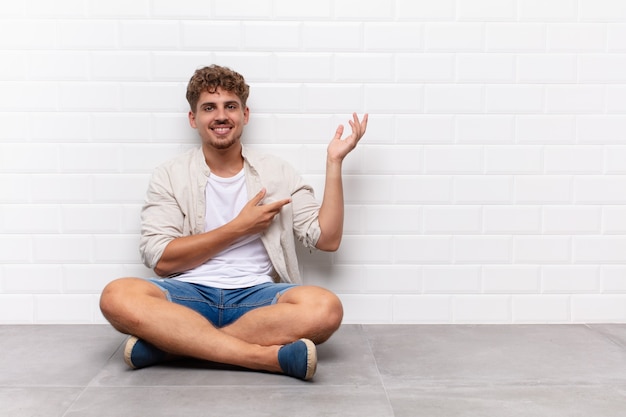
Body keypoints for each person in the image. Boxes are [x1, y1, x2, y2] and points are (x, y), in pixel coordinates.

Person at [99, 64, 368, 381]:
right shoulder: (169, 175)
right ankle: (262, 358)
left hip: (257, 299)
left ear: (245, 114)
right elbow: (160, 259)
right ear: (193, 119)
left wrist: (334, 162)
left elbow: (327, 239)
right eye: (209, 108)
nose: (221, 116)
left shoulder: (278, 172)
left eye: (231, 106)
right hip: (188, 295)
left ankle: (176, 345)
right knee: (116, 295)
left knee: (326, 307)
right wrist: (239, 227)